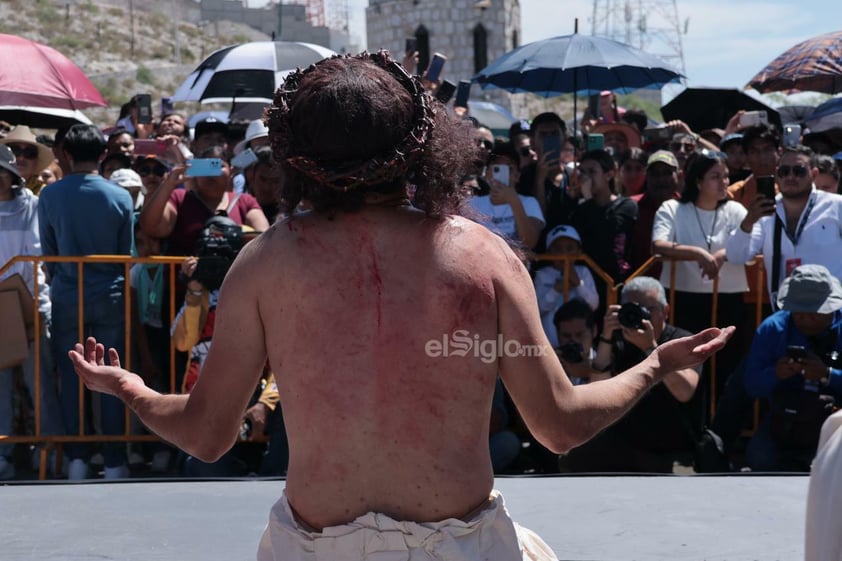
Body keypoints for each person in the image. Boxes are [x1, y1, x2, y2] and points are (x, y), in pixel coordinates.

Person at [68, 52, 732, 561]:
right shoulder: (485, 256)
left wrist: (128, 387)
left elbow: (207, 435)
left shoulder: (265, 261)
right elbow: (557, 425)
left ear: (297, 155)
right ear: (422, 142)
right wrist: (651, 367)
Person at [38, 124, 134, 480]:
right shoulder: (121, 196)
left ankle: (77, 457)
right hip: (109, 292)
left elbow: (48, 251)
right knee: (112, 373)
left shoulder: (50, 195)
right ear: (103, 154)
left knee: (71, 374)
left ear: (64, 154)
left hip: (67, 294)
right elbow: (126, 252)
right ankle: (114, 459)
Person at [559, 277, 706, 473]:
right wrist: (606, 337)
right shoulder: (616, 341)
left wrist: (651, 349)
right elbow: (597, 388)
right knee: (572, 458)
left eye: (648, 309)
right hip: (623, 444)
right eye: (634, 308)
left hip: (673, 449)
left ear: (666, 311)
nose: (642, 316)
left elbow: (685, 391)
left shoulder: (681, 340)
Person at [651, 150, 748, 401]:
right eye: (716, 176)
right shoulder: (672, 208)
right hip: (683, 298)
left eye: (726, 176)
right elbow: (658, 244)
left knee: (724, 367)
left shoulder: (736, 210)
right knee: (686, 365)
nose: (724, 181)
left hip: (728, 299)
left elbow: (750, 245)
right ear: (697, 181)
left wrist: (722, 254)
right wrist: (698, 254)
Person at [0, 145, 63, 480]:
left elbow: (35, 264)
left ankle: (51, 454)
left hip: (29, 307)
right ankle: (4, 455)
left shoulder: (32, 207)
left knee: (39, 385)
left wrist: (31, 309)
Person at [743, 264, 842, 471]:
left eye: (813, 313)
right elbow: (751, 384)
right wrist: (775, 374)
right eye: (799, 313)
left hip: (836, 420)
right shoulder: (772, 329)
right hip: (784, 417)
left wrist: (828, 374)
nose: (805, 319)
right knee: (759, 458)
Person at [726, 145, 842, 302]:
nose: (791, 177)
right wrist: (748, 222)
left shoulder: (837, 206)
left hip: (832, 311)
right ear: (777, 174)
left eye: (799, 171)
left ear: (813, 174)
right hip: (786, 312)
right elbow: (736, 256)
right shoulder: (764, 212)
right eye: (784, 171)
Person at [469, 141, 544, 249]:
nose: (504, 173)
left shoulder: (530, 203)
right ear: (487, 174)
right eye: (497, 169)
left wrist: (513, 200)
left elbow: (529, 242)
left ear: (517, 176)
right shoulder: (473, 203)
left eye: (509, 168)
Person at [533, 225, 599, 347]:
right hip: (550, 344)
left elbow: (593, 304)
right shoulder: (542, 274)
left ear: (579, 251)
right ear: (549, 252)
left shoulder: (583, 271)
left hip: (580, 344)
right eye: (558, 249)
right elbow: (538, 309)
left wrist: (578, 283)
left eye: (570, 249)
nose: (564, 254)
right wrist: (556, 289)